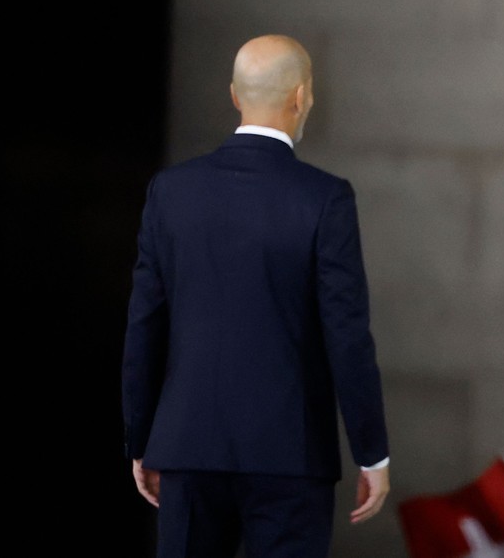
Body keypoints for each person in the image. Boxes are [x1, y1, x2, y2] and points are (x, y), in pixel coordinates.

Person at [122, 34, 390, 558]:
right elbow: (347, 336)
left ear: (233, 95)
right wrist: (371, 453)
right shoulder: (325, 198)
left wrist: (141, 440)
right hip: (292, 456)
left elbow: (144, 326)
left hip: (186, 447)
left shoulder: (170, 193)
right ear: (301, 96)